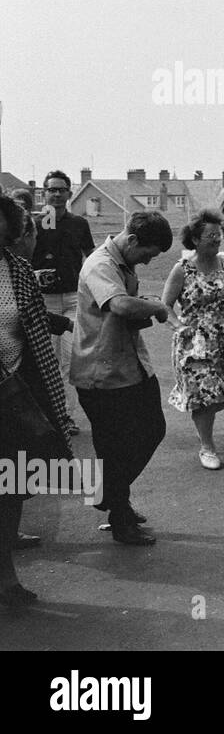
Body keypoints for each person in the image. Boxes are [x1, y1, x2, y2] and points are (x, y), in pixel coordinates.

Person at [69, 211, 173, 546]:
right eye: (147, 254)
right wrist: (158, 307)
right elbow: (120, 306)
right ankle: (119, 514)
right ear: (131, 240)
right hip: (102, 374)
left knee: (150, 430)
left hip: (129, 366)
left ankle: (112, 495)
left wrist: (146, 306)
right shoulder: (100, 264)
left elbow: (127, 312)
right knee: (115, 447)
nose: (146, 261)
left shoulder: (123, 264)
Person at [0, 194, 77, 606]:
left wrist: (68, 325)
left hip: (12, 395)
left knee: (10, 483)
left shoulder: (18, 271)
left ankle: (6, 577)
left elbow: (30, 320)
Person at [162, 210, 224, 471]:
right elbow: (166, 306)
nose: (217, 239)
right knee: (206, 395)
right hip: (195, 343)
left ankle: (201, 418)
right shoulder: (182, 269)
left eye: (219, 234)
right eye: (211, 235)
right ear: (195, 239)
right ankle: (207, 446)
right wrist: (178, 326)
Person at [32, 171, 95, 432]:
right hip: (42, 301)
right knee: (45, 360)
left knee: (70, 360)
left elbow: (90, 255)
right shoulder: (36, 224)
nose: (56, 194)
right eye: (51, 190)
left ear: (70, 193)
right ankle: (47, 415)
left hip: (71, 299)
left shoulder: (79, 224)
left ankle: (65, 416)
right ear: (44, 193)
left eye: (61, 190)